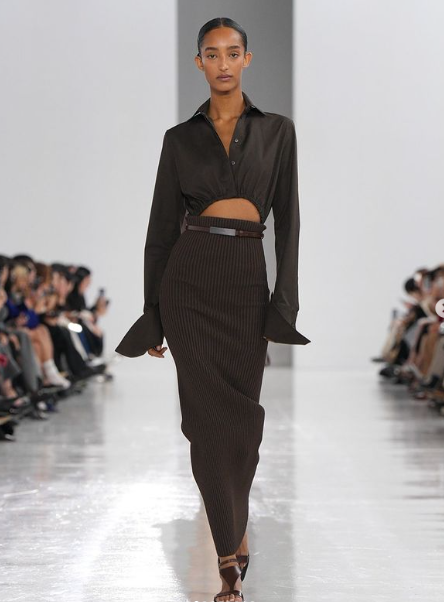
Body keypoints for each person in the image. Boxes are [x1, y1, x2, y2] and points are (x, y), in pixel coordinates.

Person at [115, 17, 311, 602]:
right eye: (211, 54)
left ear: (247, 59)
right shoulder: (179, 139)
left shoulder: (277, 131)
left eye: (232, 53)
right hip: (190, 283)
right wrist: (153, 312)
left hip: (247, 283)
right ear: (198, 62)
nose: (222, 63)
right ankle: (227, 558)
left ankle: (235, 521)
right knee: (205, 422)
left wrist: (283, 305)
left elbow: (290, 223)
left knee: (243, 423)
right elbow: (159, 230)